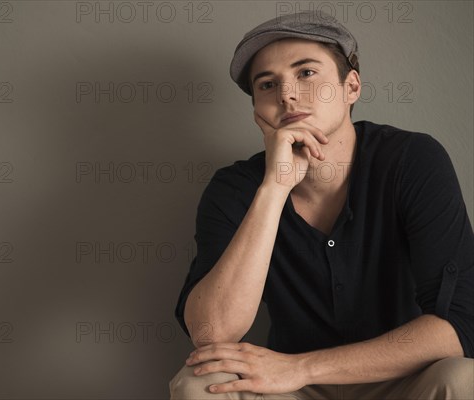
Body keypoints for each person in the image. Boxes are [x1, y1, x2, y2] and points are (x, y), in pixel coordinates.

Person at [169, 11, 474, 400]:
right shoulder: (234, 188)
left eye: (306, 73)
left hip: (401, 377)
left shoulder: (412, 160)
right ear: (258, 112)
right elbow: (211, 333)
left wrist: (299, 367)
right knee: (199, 385)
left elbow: (460, 325)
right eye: (267, 84)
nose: (287, 94)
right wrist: (275, 187)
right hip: (294, 391)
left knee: (465, 379)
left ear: (351, 87)